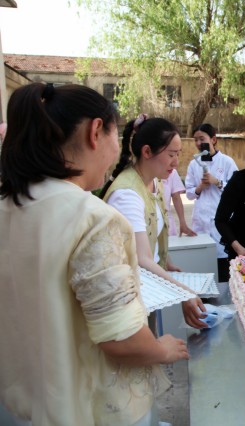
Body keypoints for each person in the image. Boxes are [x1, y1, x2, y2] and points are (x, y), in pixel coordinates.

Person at [0, 83, 189, 425]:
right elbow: (122, 338)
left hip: (19, 404)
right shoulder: (92, 219)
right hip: (86, 409)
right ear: (96, 131)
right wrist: (161, 348)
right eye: (116, 136)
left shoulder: (9, 205)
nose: (118, 151)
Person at [101, 115, 207, 329]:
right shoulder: (128, 195)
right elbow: (141, 258)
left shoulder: (154, 182)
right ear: (147, 152)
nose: (176, 162)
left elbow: (152, 234)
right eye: (171, 155)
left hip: (149, 287)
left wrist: (165, 262)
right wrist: (183, 292)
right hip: (128, 297)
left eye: (178, 154)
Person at [185, 123, 238, 281]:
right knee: (203, 267)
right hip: (201, 221)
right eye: (195, 140)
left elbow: (236, 191)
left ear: (213, 139)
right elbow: (189, 194)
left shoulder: (227, 162)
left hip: (221, 221)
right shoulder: (194, 164)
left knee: (223, 268)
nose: (198, 143)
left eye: (202, 139)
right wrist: (200, 187)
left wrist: (217, 182)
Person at [163, 168, 196, 237]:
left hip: (166, 222)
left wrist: (182, 222)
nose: (175, 163)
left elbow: (176, 197)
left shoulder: (171, 171)